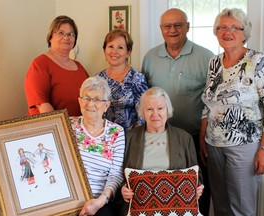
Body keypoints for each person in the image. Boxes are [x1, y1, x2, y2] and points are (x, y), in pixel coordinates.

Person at [141, 8, 214, 215]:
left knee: (198, 191)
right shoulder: (150, 58)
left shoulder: (206, 57)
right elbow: (145, 97)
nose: (172, 30)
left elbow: (212, 102)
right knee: (163, 194)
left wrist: (202, 137)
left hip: (193, 138)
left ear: (187, 27)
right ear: (161, 29)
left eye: (178, 25)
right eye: (167, 26)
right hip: (159, 138)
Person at [199, 8, 264, 216]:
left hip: (244, 145)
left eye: (233, 28)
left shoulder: (257, 61)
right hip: (214, 144)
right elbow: (207, 103)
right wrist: (202, 138)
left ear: (244, 33)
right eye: (221, 27)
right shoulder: (214, 62)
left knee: (241, 207)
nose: (227, 32)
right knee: (220, 204)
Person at [120, 87, 204, 215]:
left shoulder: (184, 138)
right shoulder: (129, 138)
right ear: (143, 111)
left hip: (177, 211)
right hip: (139, 209)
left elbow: (197, 175)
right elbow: (119, 174)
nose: (155, 114)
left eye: (160, 108)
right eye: (149, 109)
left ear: (167, 110)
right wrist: (123, 189)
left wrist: (198, 187)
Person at [70, 76, 125, 216]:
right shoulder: (67, 124)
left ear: (106, 105)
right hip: (67, 199)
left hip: (99, 201)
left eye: (97, 99)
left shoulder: (116, 132)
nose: (90, 104)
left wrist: (100, 201)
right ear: (79, 101)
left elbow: (115, 174)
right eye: (86, 98)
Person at [25, 15, 88, 116]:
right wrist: (63, 129)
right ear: (50, 37)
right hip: (51, 127)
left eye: (71, 34)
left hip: (77, 127)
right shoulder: (40, 64)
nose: (66, 37)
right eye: (61, 33)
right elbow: (42, 106)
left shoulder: (79, 67)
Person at [97, 29, 148, 130]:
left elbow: (144, 114)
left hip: (130, 138)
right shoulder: (98, 79)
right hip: (104, 139)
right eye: (110, 46)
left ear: (128, 52)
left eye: (120, 47)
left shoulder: (137, 78)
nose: (114, 51)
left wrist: (133, 140)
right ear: (104, 50)